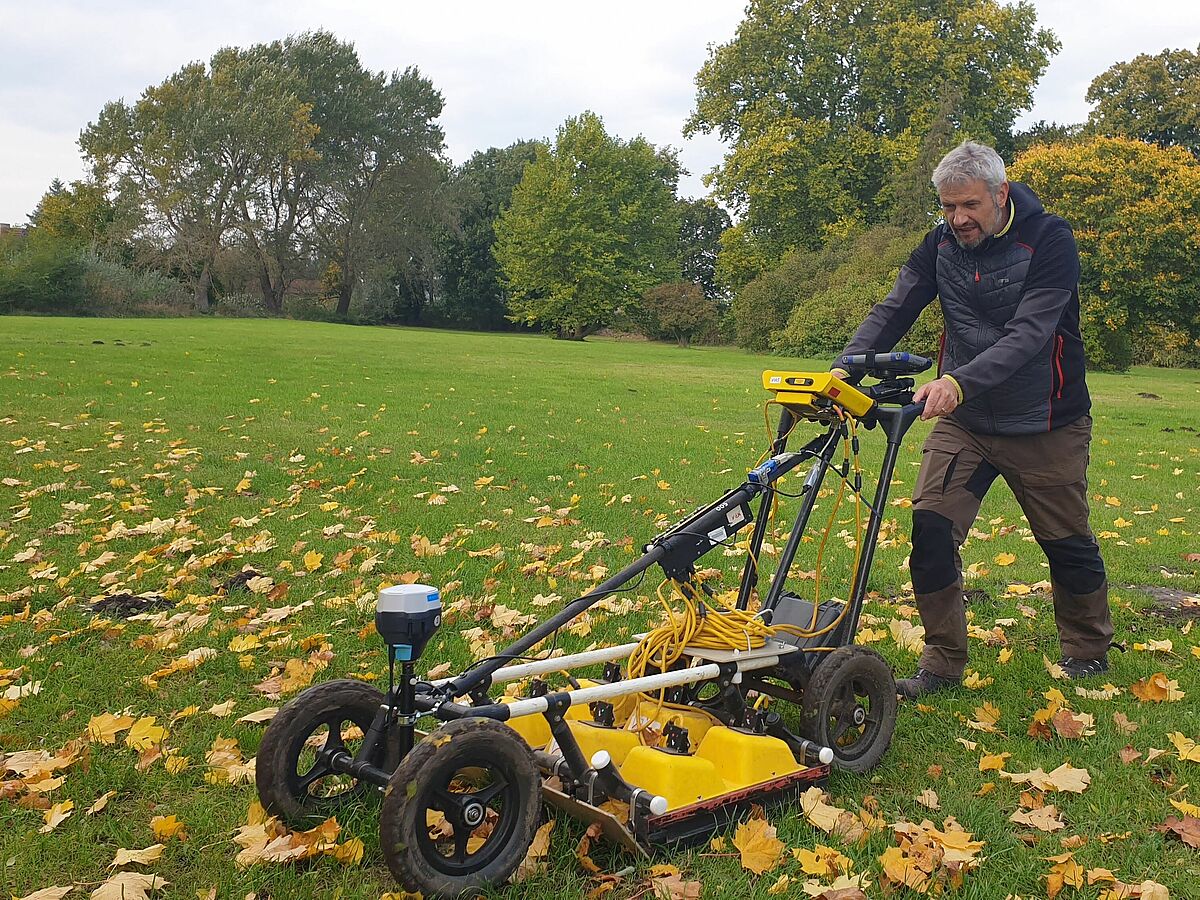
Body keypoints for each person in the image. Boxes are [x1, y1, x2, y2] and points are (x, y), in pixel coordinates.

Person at [834, 140, 1115, 699]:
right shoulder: (941, 245)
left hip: (1046, 420)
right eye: (947, 207)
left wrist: (957, 381)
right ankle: (941, 664)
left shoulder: (1050, 240)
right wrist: (845, 369)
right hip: (966, 422)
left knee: (1066, 540)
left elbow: (1032, 334)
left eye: (968, 206)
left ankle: (1087, 650)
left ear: (1000, 195)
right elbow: (896, 306)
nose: (957, 218)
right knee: (931, 529)